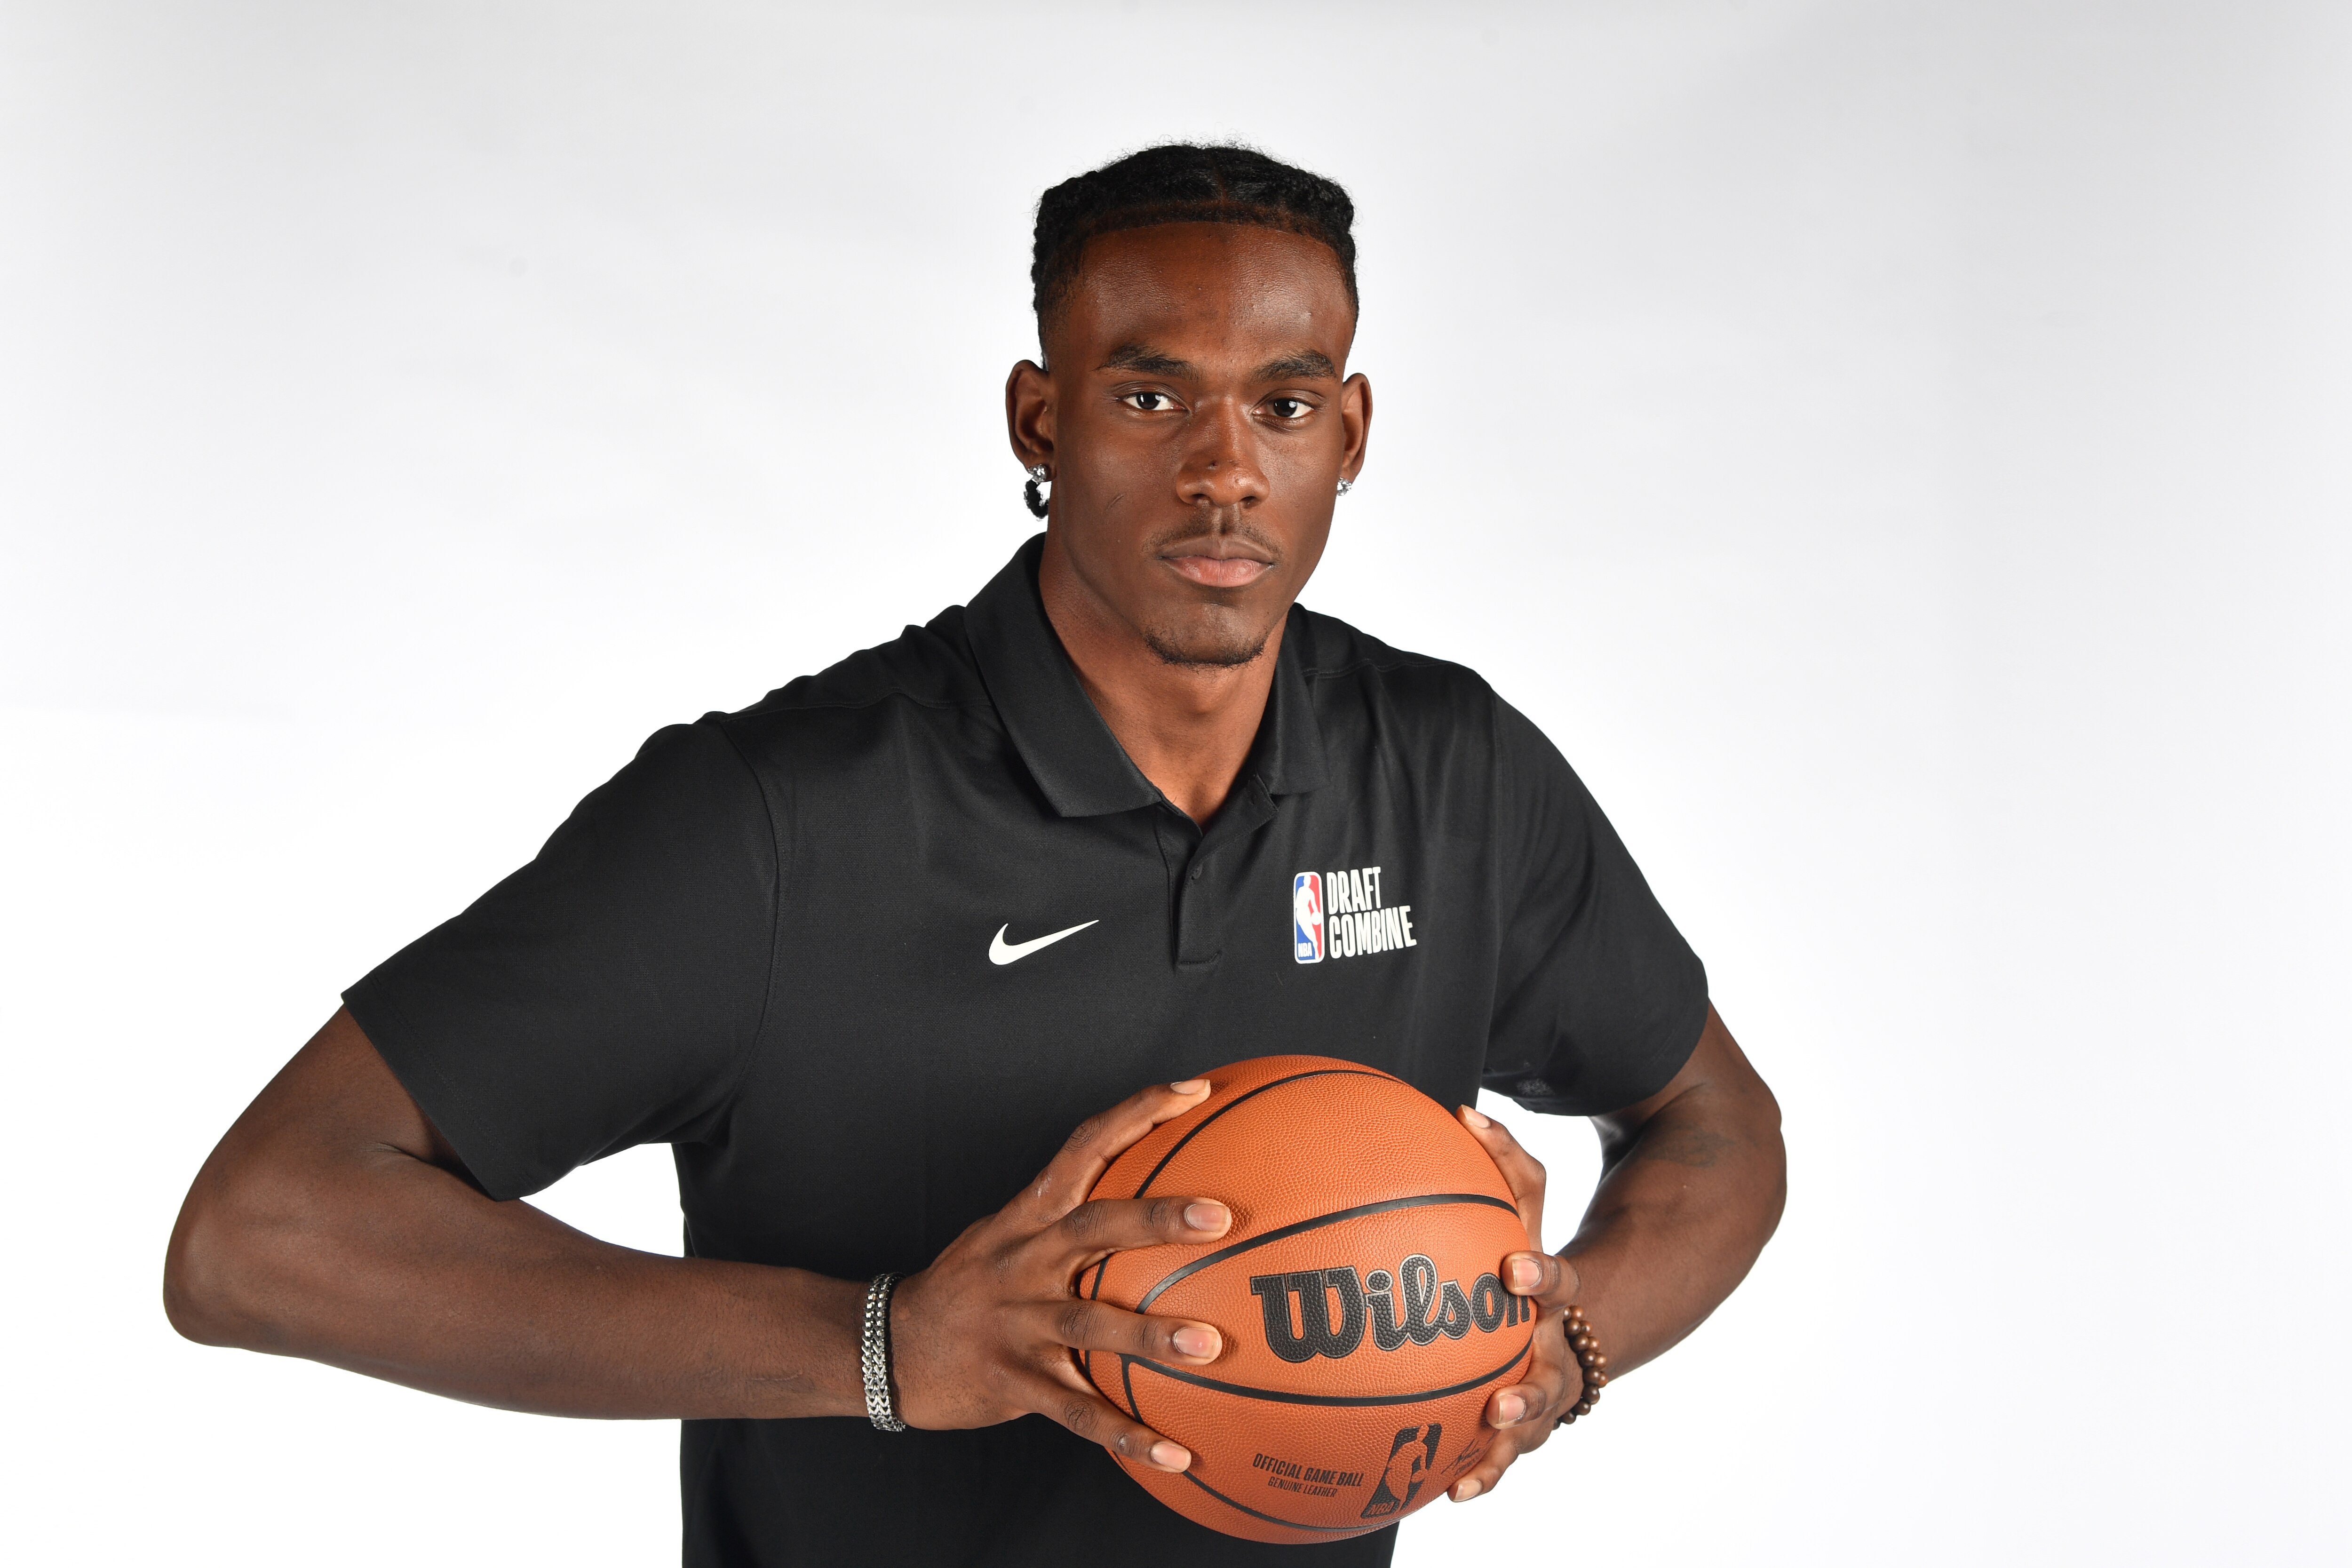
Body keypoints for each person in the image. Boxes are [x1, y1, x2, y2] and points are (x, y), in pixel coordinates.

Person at [164, 143, 1786, 1567]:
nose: (1225, 467)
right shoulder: (784, 819)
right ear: (1042, 415)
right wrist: (881, 1348)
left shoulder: (1454, 775)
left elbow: (1716, 1124)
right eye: (1151, 394)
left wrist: (1555, 1345)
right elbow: (262, 1235)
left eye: (1284, 404)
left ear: (1349, 435)